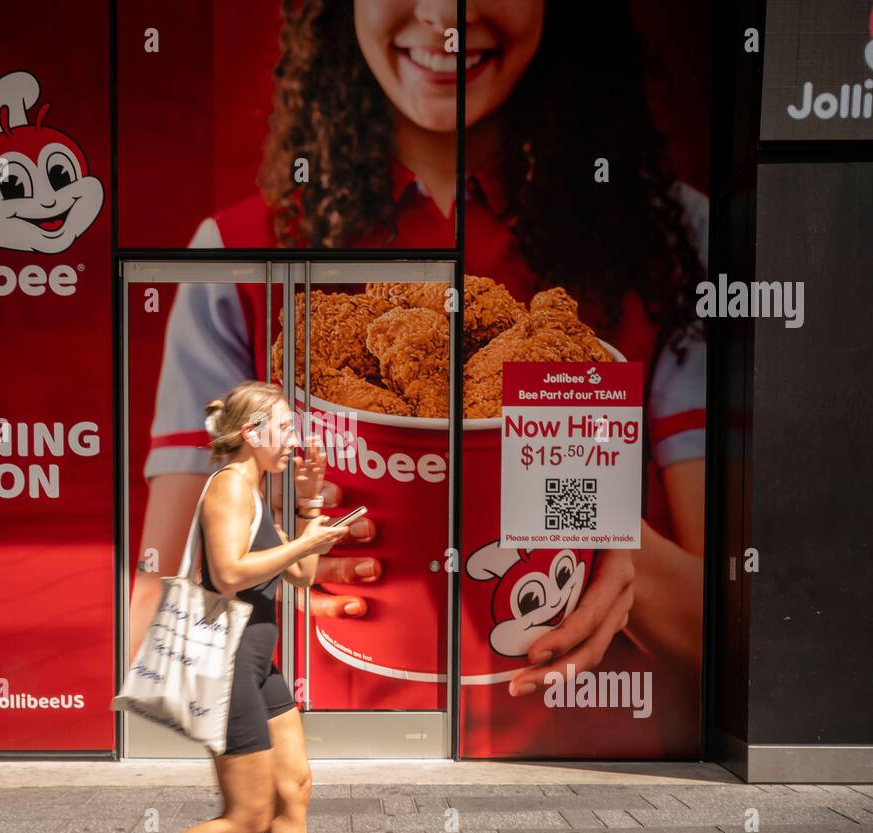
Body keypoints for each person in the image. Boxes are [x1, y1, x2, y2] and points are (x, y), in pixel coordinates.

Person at [134, 0, 706, 748]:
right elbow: (160, 641)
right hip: (337, 767)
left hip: (611, 769)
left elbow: (755, 644)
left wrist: (600, 533)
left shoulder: (673, 242)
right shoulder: (238, 260)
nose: (443, 15)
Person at [140, 380, 350, 833]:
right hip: (227, 666)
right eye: (284, 429)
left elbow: (300, 575)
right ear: (252, 433)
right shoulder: (232, 484)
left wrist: (309, 502)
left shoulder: (252, 489)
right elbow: (229, 573)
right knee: (247, 817)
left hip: (256, 665)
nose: (294, 441)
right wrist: (304, 544)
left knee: (293, 788)